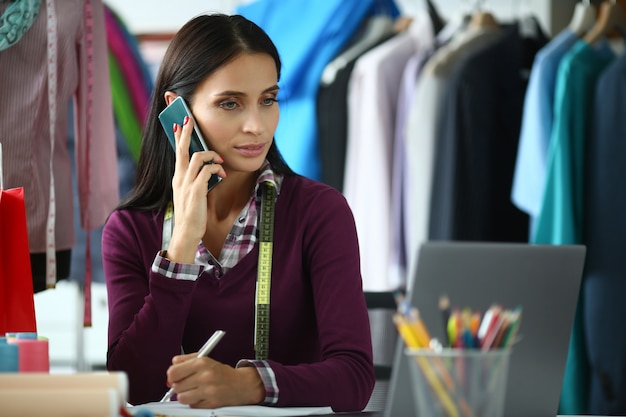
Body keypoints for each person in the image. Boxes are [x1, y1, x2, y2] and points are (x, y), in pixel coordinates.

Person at [102, 13, 375, 411]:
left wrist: (247, 385)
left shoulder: (320, 213)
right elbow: (129, 389)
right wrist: (179, 251)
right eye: (230, 103)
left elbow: (355, 378)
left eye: (268, 100)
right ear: (178, 113)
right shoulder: (129, 231)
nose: (256, 126)